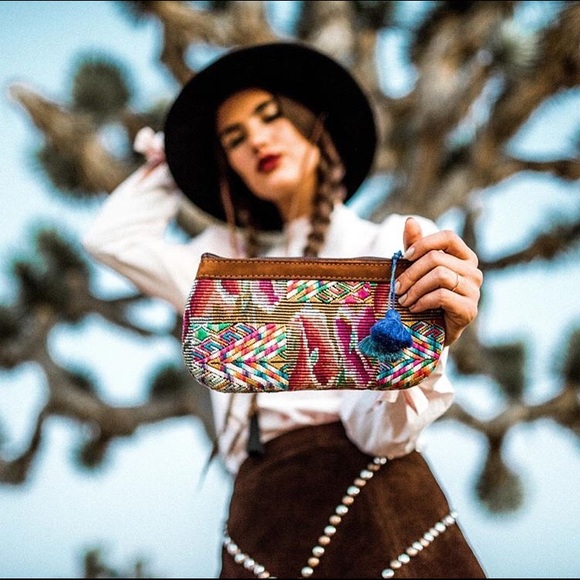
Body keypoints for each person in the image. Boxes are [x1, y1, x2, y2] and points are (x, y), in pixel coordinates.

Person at [83, 42, 485, 579]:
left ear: (314, 126)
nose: (256, 140)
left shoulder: (387, 244)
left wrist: (416, 353)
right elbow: (110, 240)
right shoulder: (221, 271)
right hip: (260, 523)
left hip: (381, 509)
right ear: (228, 164)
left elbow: (380, 435)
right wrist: (174, 164)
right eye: (234, 139)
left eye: (270, 117)